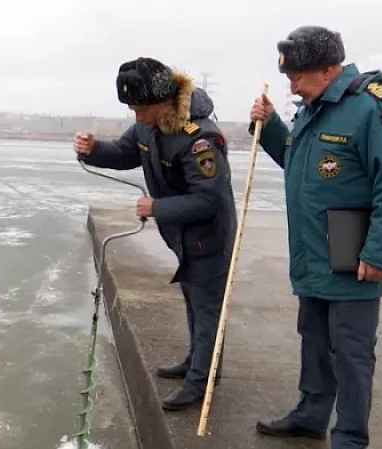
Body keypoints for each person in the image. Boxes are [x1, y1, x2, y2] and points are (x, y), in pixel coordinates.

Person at [248, 26, 382, 448]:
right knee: (315, 341)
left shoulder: (375, 110)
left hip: (353, 257)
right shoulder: (312, 109)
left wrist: (381, 254)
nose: (292, 85)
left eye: (298, 76)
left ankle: (350, 438)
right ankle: (311, 415)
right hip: (313, 254)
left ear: (329, 70)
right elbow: (299, 164)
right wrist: (269, 125)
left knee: (351, 354)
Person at [73, 57, 237, 411]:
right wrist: (94, 149)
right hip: (182, 236)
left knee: (207, 310)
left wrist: (157, 207)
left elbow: (209, 200)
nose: (137, 117)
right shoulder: (148, 127)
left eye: (142, 109)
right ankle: (196, 362)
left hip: (209, 236)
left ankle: (200, 381)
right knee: (194, 303)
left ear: (164, 102)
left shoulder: (200, 138)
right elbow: (124, 152)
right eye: (133, 110)